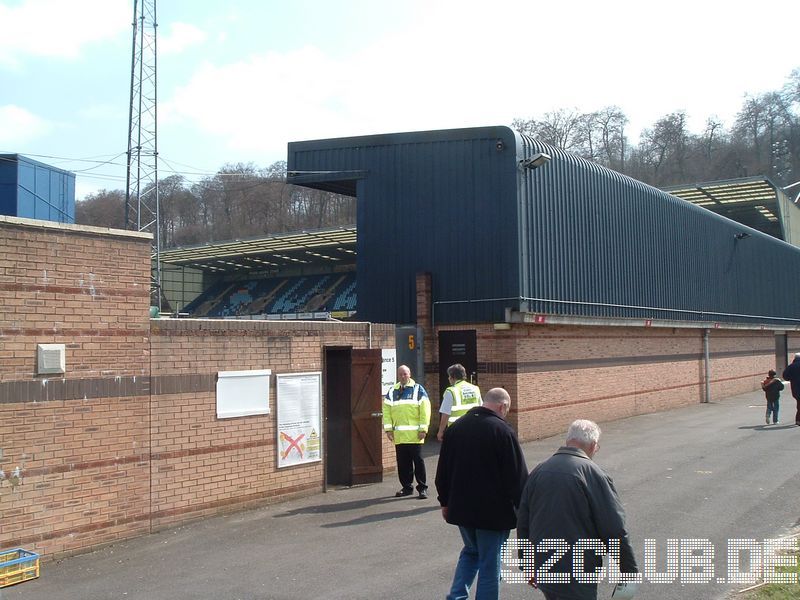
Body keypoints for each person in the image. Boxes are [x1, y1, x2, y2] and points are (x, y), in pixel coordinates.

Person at [517, 419, 639, 600]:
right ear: (593, 445)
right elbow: (613, 527)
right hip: (578, 569)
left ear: (568, 440)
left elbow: (524, 521)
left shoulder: (539, 471)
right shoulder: (593, 474)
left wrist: (528, 563)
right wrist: (628, 570)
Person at [435, 388, 528, 600]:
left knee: (470, 552)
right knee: (490, 564)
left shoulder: (456, 428)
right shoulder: (502, 431)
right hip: (492, 513)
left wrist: (445, 501)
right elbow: (517, 475)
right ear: (502, 406)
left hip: (461, 509)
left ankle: (456, 596)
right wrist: (523, 506)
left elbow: (443, 471)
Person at [383, 365, 431, 499]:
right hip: (399, 436)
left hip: (415, 435)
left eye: (405, 374)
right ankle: (407, 487)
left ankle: (422, 488)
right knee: (403, 464)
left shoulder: (418, 390)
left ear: (410, 374)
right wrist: (388, 429)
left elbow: (425, 410)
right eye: (400, 374)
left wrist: (423, 429)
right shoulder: (392, 391)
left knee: (418, 463)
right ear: (397, 376)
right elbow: (386, 411)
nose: (403, 376)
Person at [436, 363, 482, 441]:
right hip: (474, 429)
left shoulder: (451, 391)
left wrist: (440, 431)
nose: (448, 378)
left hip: (456, 430)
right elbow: (481, 409)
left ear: (452, 377)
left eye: (449, 376)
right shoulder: (475, 388)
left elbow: (445, 414)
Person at [782, 353, 800, 426]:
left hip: (795, 389)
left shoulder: (791, 366)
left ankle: (798, 420)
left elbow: (785, 376)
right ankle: (798, 420)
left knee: (799, 403)